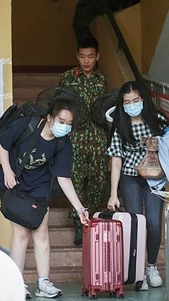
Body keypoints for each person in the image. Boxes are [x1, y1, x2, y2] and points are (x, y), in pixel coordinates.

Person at [0, 96, 90, 299]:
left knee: (41, 231)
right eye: (61, 122)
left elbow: (63, 178)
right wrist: (9, 172)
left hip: (39, 186)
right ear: (49, 118)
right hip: (14, 183)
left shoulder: (63, 142)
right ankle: (16, 284)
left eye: (69, 124)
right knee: (21, 234)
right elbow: (3, 143)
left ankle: (43, 282)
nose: (64, 127)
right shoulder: (26, 125)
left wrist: (80, 209)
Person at [106, 80, 169, 290]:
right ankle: (137, 269)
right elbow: (116, 160)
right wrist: (113, 194)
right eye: (127, 102)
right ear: (122, 104)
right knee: (135, 223)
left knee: (153, 222)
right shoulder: (120, 124)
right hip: (129, 177)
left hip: (154, 177)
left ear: (143, 99)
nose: (132, 105)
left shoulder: (157, 120)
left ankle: (152, 266)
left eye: (135, 100)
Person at [59, 36, 108, 246]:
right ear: (77, 56)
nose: (86, 61)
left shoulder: (102, 80)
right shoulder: (67, 78)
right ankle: (79, 227)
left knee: (97, 182)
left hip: (98, 139)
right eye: (82, 56)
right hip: (75, 139)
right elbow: (60, 105)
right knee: (76, 182)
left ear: (97, 57)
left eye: (90, 57)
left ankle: (93, 219)